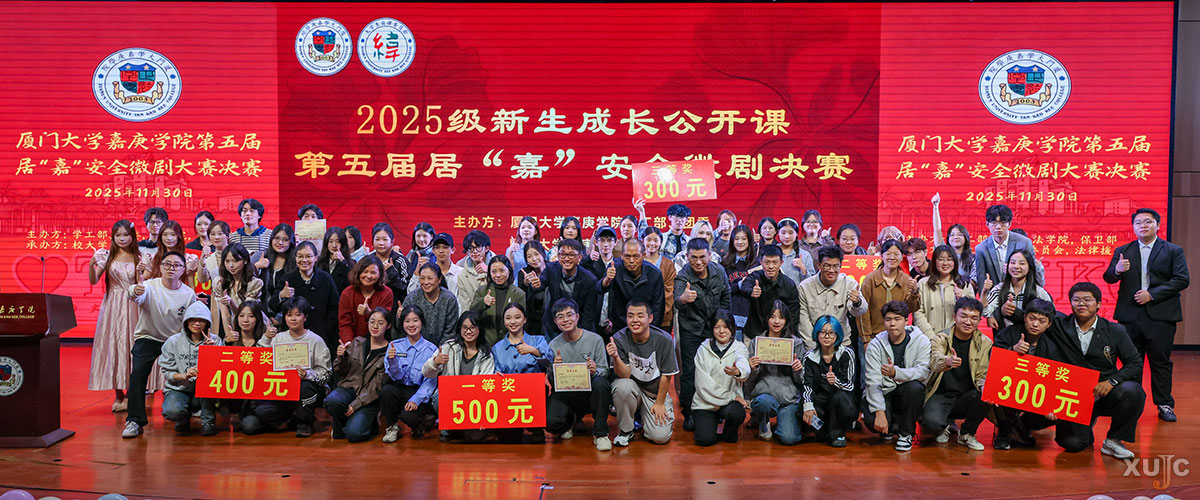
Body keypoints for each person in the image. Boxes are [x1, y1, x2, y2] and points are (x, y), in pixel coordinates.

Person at [1103, 208, 1190, 422]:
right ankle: (1132, 405)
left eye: (1148, 222)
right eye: (1138, 222)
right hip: (1130, 315)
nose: (1143, 225)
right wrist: (1118, 270)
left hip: (1161, 315)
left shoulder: (1172, 250)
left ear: (1157, 225)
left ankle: (1164, 404)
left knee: (1160, 361)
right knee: (1133, 362)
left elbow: (1182, 279)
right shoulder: (1123, 250)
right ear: (1133, 227)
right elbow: (1108, 277)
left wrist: (1152, 295)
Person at [1042, 282, 1145, 460]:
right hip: (1073, 397)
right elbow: (1032, 317)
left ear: (1098, 304)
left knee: (1133, 391)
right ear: (1070, 303)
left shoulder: (1115, 330)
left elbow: (1135, 363)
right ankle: (1086, 424)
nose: (1081, 304)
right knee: (1072, 444)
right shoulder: (1058, 325)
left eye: (1087, 300)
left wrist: (1111, 382)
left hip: (1104, 392)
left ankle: (1114, 440)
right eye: (1076, 300)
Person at [122, 251, 198, 439]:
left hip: (175, 341)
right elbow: (135, 294)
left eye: (177, 265)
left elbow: (190, 322)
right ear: (161, 267)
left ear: (183, 270)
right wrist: (134, 290)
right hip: (148, 337)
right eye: (167, 264)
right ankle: (135, 420)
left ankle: (182, 414)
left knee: (187, 374)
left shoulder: (188, 294)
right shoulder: (149, 286)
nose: (171, 268)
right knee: (138, 373)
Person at [88, 220, 153, 413]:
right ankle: (118, 394)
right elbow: (93, 280)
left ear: (132, 236)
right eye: (118, 235)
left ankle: (132, 394)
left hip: (134, 305)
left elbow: (144, 283)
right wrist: (92, 264)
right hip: (113, 307)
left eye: (126, 235)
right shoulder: (107, 256)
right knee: (114, 346)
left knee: (134, 347)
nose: (122, 239)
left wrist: (143, 271)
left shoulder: (141, 256)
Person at [246, 297, 331, 438]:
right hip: (282, 389)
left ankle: (305, 422)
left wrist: (308, 374)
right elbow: (258, 360)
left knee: (305, 389)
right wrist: (266, 337)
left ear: (305, 317)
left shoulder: (316, 340)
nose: (293, 319)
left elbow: (326, 374)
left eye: (298, 315)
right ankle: (291, 418)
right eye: (289, 315)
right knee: (261, 410)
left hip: (308, 388)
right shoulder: (278, 338)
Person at [674, 238, 730, 431]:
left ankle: (716, 408)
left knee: (716, 369)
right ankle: (689, 412)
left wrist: (723, 323)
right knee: (690, 371)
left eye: (702, 257)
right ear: (687, 256)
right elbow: (677, 301)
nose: (698, 262)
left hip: (715, 329)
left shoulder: (719, 271)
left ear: (709, 255)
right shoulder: (683, 276)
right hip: (691, 330)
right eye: (694, 258)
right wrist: (683, 298)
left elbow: (726, 296)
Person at [922, 297, 993, 451]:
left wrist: (984, 387)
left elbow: (982, 373)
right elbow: (934, 361)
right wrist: (947, 361)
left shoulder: (985, 342)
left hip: (966, 396)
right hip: (940, 395)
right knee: (931, 423)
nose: (968, 322)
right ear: (955, 316)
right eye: (964, 316)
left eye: (974, 318)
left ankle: (966, 433)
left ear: (979, 320)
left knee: (986, 394)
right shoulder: (940, 338)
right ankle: (943, 425)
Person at [991, 298, 1060, 450]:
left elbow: (1053, 380)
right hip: (1008, 387)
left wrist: (1051, 404)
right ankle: (1003, 432)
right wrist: (1012, 351)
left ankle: (1021, 426)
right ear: (1024, 317)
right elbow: (992, 359)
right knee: (1000, 392)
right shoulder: (1008, 333)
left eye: (1041, 321)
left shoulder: (1052, 346)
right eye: (1032, 318)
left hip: (1034, 392)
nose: (1035, 324)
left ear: (1049, 324)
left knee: (1057, 412)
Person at [607, 301, 678, 447]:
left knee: (660, 437)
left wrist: (659, 403)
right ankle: (626, 431)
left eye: (640, 316)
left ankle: (647, 421)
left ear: (650, 318)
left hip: (654, 394)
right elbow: (625, 375)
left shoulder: (664, 339)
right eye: (630, 316)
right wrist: (615, 357)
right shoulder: (619, 339)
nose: (635, 320)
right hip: (633, 389)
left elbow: (666, 376)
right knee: (623, 386)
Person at [545, 299, 613, 451]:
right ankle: (569, 422)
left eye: (569, 315)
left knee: (602, 384)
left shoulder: (595, 339)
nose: (566, 320)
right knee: (551, 423)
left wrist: (595, 370)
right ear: (555, 321)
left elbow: (605, 370)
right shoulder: (553, 345)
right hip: (566, 393)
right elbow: (550, 380)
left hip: (590, 392)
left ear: (577, 316)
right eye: (560, 317)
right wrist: (554, 368)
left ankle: (601, 433)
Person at [863, 301, 931, 452]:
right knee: (871, 421)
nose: (892, 324)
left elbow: (923, 372)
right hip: (884, 391)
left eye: (897, 319)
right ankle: (890, 426)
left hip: (907, 392)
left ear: (906, 321)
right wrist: (879, 413)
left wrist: (896, 373)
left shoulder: (921, 341)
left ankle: (906, 434)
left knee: (916, 388)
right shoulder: (875, 345)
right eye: (888, 319)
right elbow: (872, 381)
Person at [423, 311, 495, 442]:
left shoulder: (486, 354)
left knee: (475, 437)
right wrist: (435, 362)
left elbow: (485, 384)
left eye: (473, 327)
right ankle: (448, 426)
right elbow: (426, 372)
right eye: (465, 327)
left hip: (474, 400)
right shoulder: (449, 347)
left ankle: (461, 427)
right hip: (450, 395)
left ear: (479, 329)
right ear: (459, 329)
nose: (468, 331)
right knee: (439, 397)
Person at [745, 300, 806, 444]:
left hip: (788, 397)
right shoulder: (756, 342)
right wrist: (753, 368)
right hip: (764, 394)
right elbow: (749, 380)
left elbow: (801, 380)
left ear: (787, 320)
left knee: (789, 438)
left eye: (781, 317)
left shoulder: (796, 343)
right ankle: (763, 422)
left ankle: (784, 421)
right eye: (772, 317)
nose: (776, 321)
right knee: (763, 403)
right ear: (767, 319)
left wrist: (798, 370)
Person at [490, 303, 553, 443]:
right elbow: (493, 372)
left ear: (524, 319)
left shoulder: (538, 340)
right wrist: (496, 376)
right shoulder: (497, 348)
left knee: (537, 440)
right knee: (509, 438)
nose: (513, 322)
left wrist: (533, 351)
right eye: (508, 318)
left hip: (534, 397)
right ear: (504, 321)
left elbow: (550, 362)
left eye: (517, 317)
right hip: (508, 397)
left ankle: (536, 427)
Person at [158, 302, 220, 436]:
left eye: (201, 320)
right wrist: (184, 376)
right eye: (193, 319)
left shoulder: (215, 341)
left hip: (205, 391)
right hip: (179, 388)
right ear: (186, 321)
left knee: (207, 387)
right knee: (172, 411)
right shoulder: (173, 341)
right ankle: (183, 418)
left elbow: (222, 371)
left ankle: (208, 422)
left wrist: (213, 351)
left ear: (207, 323)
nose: (197, 323)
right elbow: (167, 372)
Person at [691, 309, 749, 447]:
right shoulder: (703, 349)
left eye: (725, 327)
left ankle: (729, 432)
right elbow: (703, 385)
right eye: (717, 327)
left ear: (732, 329)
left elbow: (744, 364)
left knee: (737, 414)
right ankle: (710, 426)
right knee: (704, 440)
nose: (721, 331)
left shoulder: (739, 347)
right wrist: (732, 396)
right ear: (712, 329)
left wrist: (739, 372)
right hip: (705, 403)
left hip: (728, 405)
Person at [380, 305, 439, 442]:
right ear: (402, 323)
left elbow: (430, 382)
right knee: (387, 391)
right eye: (407, 321)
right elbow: (396, 377)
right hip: (400, 389)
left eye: (415, 320)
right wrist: (393, 361)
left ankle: (423, 422)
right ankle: (392, 427)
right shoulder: (394, 345)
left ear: (422, 322)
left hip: (420, 392)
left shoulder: (431, 349)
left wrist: (416, 400)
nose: (411, 325)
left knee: (410, 417)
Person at [273, 241, 340, 356]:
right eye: (300, 256)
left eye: (308, 256)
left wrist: (326, 329)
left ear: (316, 258)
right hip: (292, 337)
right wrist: (281, 295)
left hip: (321, 335)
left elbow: (334, 307)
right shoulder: (287, 278)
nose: (304, 260)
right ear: (295, 258)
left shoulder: (326, 279)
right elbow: (273, 305)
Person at [796, 245, 868, 351]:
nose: (831, 270)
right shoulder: (805, 287)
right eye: (827, 266)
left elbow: (860, 310)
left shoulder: (849, 283)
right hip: (815, 345)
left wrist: (857, 302)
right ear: (819, 265)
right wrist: (815, 350)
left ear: (841, 265)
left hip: (842, 344)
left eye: (836, 266)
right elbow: (804, 324)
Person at [801, 315, 857, 447]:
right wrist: (808, 406)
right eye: (823, 332)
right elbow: (807, 385)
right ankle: (823, 431)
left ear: (837, 335)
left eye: (831, 333)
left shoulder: (847, 353)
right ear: (817, 334)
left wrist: (835, 381)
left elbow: (849, 385)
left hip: (841, 399)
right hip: (821, 400)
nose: (827, 336)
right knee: (807, 411)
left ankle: (838, 433)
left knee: (839, 398)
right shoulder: (809, 357)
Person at [972, 204, 1044, 297]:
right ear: (987, 224)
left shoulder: (1024, 243)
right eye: (994, 223)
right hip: (995, 298)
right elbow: (982, 279)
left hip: (1022, 295)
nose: (998, 227)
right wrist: (985, 300)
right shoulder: (981, 249)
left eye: (1002, 223)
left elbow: (1032, 273)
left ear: (1009, 224)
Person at [534, 238, 601, 336]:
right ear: (558, 256)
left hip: (578, 327)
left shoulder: (590, 280)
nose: (566, 258)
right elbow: (539, 285)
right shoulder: (551, 269)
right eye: (563, 254)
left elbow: (588, 314)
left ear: (579, 258)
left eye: (571, 255)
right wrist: (533, 284)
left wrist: (581, 336)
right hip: (554, 326)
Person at [857, 240, 920, 344]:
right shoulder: (870, 279)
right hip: (874, 338)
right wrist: (866, 339)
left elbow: (910, 309)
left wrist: (914, 292)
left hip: (898, 338)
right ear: (882, 256)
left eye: (896, 254)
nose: (892, 257)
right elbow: (863, 312)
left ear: (901, 257)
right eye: (888, 254)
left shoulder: (906, 280)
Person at [736, 244, 800, 341]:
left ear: (781, 263)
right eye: (767, 262)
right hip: (754, 333)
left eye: (775, 262)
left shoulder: (789, 285)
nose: (771, 266)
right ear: (761, 262)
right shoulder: (755, 277)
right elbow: (745, 287)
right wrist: (751, 292)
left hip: (781, 336)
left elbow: (793, 315)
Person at [603, 238, 665, 334]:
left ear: (643, 255)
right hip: (620, 327)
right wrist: (607, 279)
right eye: (627, 257)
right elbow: (600, 290)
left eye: (636, 256)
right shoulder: (615, 268)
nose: (631, 261)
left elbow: (658, 307)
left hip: (646, 327)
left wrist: (651, 333)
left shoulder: (655, 274)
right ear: (621, 256)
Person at [914, 245, 976, 338]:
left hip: (957, 337)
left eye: (949, 259)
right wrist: (932, 337)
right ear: (934, 262)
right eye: (941, 259)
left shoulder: (964, 284)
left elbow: (973, 312)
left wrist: (962, 298)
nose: (945, 263)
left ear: (955, 262)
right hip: (929, 337)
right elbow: (918, 312)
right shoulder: (923, 283)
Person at [983, 249, 1051, 331]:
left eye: (1022, 263)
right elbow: (985, 312)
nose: (1016, 266)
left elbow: (1050, 314)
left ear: (1029, 267)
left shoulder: (1038, 292)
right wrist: (984, 292)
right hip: (1005, 335)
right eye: (1012, 263)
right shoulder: (999, 289)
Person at [211, 243, 263, 341]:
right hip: (233, 325)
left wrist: (231, 303)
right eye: (227, 261)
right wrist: (229, 336)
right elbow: (225, 314)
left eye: (236, 261)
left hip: (253, 327)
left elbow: (245, 314)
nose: (231, 265)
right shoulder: (219, 283)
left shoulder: (254, 283)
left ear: (245, 260)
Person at [337, 255, 395, 342]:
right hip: (354, 343)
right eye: (365, 272)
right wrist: (349, 343)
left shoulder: (386, 293)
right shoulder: (347, 293)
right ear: (358, 272)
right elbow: (345, 323)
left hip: (379, 342)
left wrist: (369, 313)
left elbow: (385, 322)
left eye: (373, 273)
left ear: (380, 274)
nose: (368, 276)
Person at [471, 255, 526, 346]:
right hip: (486, 344)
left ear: (509, 270)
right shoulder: (482, 291)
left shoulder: (519, 294)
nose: (498, 275)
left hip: (511, 344)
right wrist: (483, 302)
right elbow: (472, 312)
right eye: (493, 271)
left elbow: (522, 321)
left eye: (502, 270)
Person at [402, 262, 461, 346]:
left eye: (430, 278)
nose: (426, 282)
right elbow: (403, 327)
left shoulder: (449, 299)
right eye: (422, 278)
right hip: (416, 346)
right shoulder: (412, 298)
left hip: (443, 348)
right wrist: (399, 316)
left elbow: (450, 332)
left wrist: (438, 350)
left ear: (439, 279)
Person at [720, 224, 758, 338]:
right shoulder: (724, 264)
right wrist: (740, 285)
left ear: (749, 241)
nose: (740, 242)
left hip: (752, 318)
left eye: (743, 239)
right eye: (736, 239)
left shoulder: (757, 264)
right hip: (731, 318)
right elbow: (722, 291)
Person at [930, 193, 975, 281]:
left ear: (966, 238)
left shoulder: (972, 259)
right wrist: (935, 207)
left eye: (960, 234)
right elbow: (937, 229)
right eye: (952, 235)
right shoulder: (943, 252)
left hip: (963, 289)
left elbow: (974, 281)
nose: (956, 237)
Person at [641, 227, 677, 331]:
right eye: (648, 240)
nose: (652, 243)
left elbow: (669, 291)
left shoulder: (668, 264)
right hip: (639, 317)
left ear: (661, 242)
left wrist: (657, 314)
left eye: (656, 240)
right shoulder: (637, 261)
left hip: (663, 318)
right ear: (642, 241)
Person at [257, 224, 297, 317]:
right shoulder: (261, 256)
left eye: (285, 240)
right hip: (262, 312)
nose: (280, 243)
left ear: (291, 242)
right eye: (276, 238)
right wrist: (257, 266)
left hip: (288, 313)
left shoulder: (296, 261)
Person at [369, 222, 411, 306]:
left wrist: (391, 272)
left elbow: (406, 289)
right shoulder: (368, 260)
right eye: (377, 239)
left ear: (392, 242)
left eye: (385, 239)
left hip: (395, 306)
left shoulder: (401, 261)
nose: (381, 243)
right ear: (372, 241)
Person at [454, 230, 494, 312]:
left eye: (478, 247)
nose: (474, 251)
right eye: (470, 248)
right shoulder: (462, 272)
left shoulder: (499, 264)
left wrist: (489, 271)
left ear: (486, 248)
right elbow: (465, 304)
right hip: (472, 315)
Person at [517, 241, 548, 337]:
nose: (534, 259)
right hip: (533, 320)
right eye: (529, 256)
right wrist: (525, 284)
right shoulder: (523, 273)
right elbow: (521, 298)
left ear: (543, 253)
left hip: (551, 317)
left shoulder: (552, 268)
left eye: (536, 254)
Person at [776, 218, 816, 285]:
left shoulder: (805, 255)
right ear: (778, 233)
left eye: (791, 233)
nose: (787, 236)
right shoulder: (771, 252)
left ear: (796, 234)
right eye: (783, 233)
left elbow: (812, 282)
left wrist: (803, 268)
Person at [318, 226, 355, 293]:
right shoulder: (319, 262)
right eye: (331, 241)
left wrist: (342, 260)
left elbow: (351, 282)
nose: (334, 245)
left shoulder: (351, 263)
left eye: (337, 242)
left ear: (343, 243)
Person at [198, 220, 230, 291]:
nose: (216, 237)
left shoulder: (236, 253)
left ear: (228, 235)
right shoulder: (210, 259)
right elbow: (202, 280)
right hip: (217, 296)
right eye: (212, 234)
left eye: (220, 233)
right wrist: (202, 259)